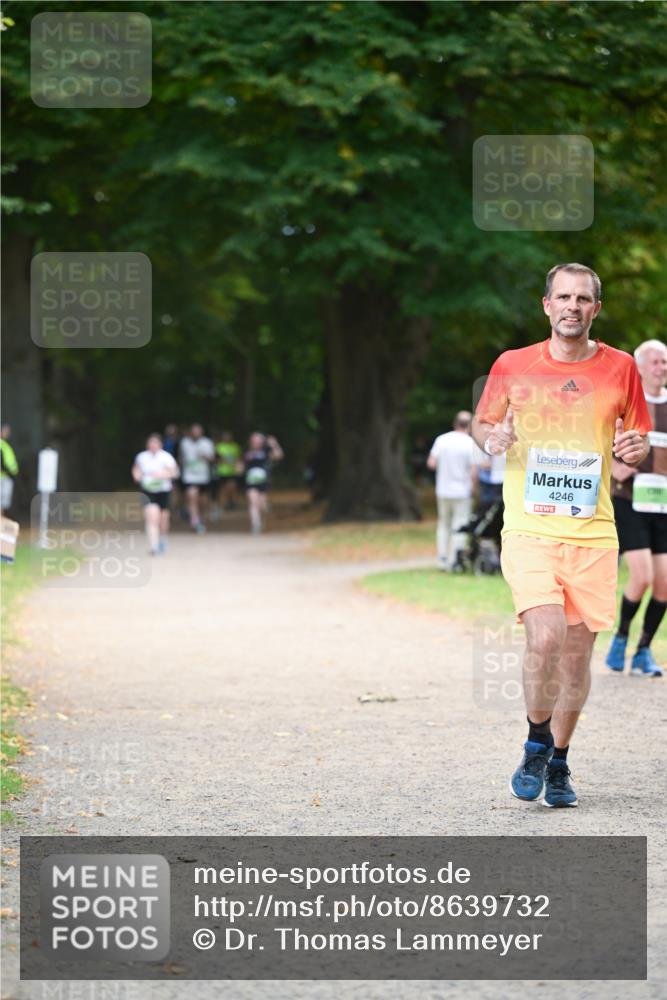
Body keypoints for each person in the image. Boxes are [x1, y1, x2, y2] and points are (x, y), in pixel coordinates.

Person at [472, 262, 651, 808]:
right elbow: (483, 425)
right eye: (563, 297)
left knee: (576, 658)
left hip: (593, 533)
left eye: (583, 299)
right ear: (546, 305)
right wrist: (493, 437)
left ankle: (560, 763)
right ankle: (535, 740)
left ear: (595, 309)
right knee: (544, 637)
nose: (572, 306)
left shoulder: (622, 368)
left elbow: (637, 434)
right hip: (529, 527)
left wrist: (635, 449)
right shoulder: (513, 364)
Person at [606, 339, 667, 677]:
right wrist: (613, 466)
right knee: (641, 576)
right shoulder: (627, 404)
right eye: (656, 362)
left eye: (666, 362)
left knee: (664, 584)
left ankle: (643, 650)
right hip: (630, 501)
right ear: (640, 367)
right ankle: (620, 638)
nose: (662, 367)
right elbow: (600, 439)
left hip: (664, 506)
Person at [427, 412, 476, 570]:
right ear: (469, 426)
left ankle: (442, 558)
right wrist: (473, 488)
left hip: (443, 490)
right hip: (462, 491)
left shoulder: (442, 440)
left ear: (455, 423)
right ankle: (456, 559)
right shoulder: (470, 444)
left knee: (443, 524)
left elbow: (431, 463)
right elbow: (474, 471)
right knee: (460, 525)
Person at [132, 433, 179, 555]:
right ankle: (153, 546)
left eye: (155, 443)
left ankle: (163, 538)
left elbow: (174, 473)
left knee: (163, 519)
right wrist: (137, 476)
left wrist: (162, 475)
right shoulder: (141, 457)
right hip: (148, 491)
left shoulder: (166, 457)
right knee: (152, 518)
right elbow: (136, 469)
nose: (153, 445)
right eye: (150, 443)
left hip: (163, 491)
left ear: (160, 444)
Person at [243, 432, 284, 534]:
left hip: (264, 481)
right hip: (250, 481)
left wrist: (274, 444)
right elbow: (240, 464)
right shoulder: (246, 451)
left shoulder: (266, 451)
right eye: (254, 440)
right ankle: (256, 525)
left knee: (262, 505)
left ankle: (261, 520)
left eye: (258, 440)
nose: (256, 442)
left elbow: (279, 456)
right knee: (253, 503)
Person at [178, 423, 215, 533]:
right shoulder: (184, 442)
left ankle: (200, 519)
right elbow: (181, 456)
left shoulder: (207, 443)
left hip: (203, 476)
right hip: (189, 476)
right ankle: (195, 521)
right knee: (192, 496)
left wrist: (205, 457)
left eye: (198, 431)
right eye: (193, 431)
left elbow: (212, 459)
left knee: (202, 501)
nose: (195, 433)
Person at [213, 430, 242, 514]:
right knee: (223, 489)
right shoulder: (219, 446)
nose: (227, 438)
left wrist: (238, 467)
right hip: (221, 471)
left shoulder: (235, 446)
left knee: (231, 487)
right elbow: (215, 458)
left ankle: (231, 500)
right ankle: (225, 503)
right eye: (225, 436)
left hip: (232, 471)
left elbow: (239, 458)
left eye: (228, 436)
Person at [0, 424, 19, 514]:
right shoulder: (4, 446)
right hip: (4, 477)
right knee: (2, 504)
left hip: (4, 477)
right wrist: (13, 471)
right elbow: (11, 465)